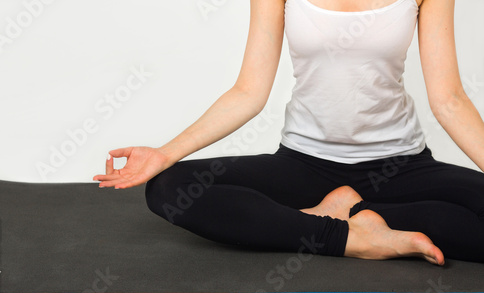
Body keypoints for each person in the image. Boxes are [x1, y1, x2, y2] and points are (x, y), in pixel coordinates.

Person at [93, 0, 484, 264]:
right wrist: (166, 153)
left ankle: (361, 213)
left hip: (402, 166)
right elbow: (248, 92)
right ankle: (350, 237)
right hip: (305, 166)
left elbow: (448, 99)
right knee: (170, 188)